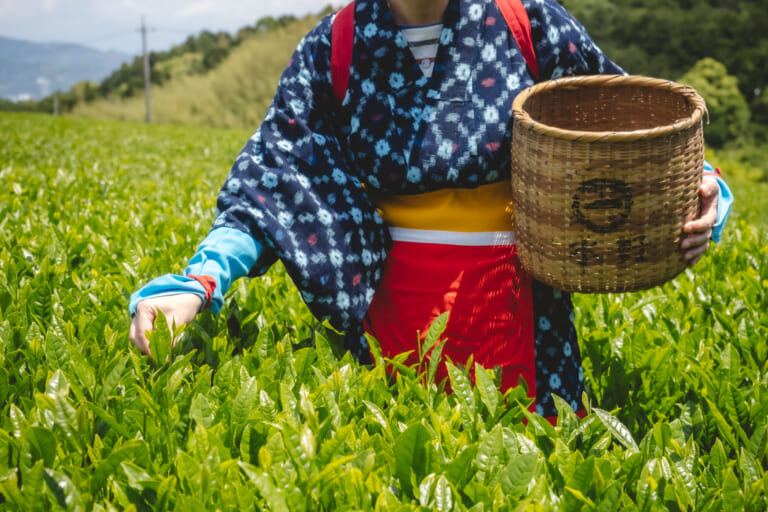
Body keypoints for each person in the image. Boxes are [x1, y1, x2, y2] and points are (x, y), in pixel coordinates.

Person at [130, 0, 733, 421]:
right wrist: (199, 282)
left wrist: (708, 190)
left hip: (525, 319)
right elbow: (275, 187)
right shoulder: (333, 48)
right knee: (402, 459)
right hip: (390, 321)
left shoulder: (530, 24)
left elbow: (639, 133)